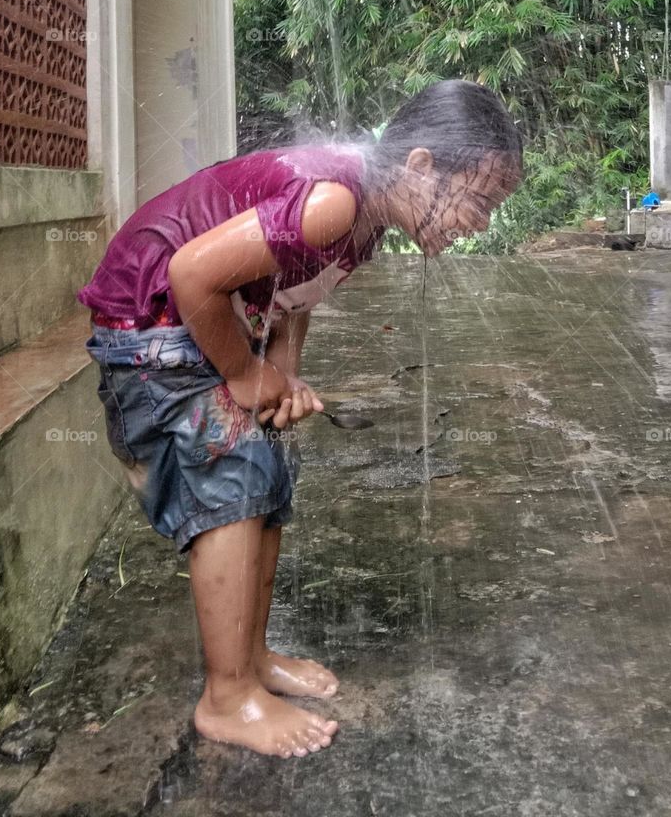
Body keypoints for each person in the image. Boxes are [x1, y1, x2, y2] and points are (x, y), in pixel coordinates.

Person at [77, 79, 523, 760]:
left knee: (267, 483)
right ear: (422, 166)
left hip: (196, 321)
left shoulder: (366, 217)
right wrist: (244, 374)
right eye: (481, 201)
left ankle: (250, 660)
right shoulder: (335, 201)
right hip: (150, 320)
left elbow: (291, 287)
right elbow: (192, 272)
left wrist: (282, 367)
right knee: (231, 475)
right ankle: (225, 699)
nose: (480, 223)